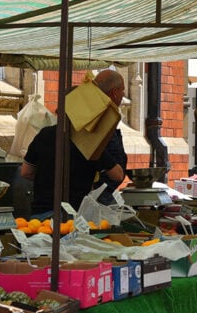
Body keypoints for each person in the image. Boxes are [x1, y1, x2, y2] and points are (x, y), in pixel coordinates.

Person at [21, 70, 127, 217]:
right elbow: (118, 175)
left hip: (39, 215)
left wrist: (49, 181)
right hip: (72, 217)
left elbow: (25, 172)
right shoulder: (90, 143)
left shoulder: (44, 134)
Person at [91, 69, 128, 205]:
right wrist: (114, 169)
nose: (123, 94)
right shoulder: (100, 120)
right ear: (114, 92)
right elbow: (116, 173)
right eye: (122, 90)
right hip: (99, 193)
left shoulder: (105, 116)